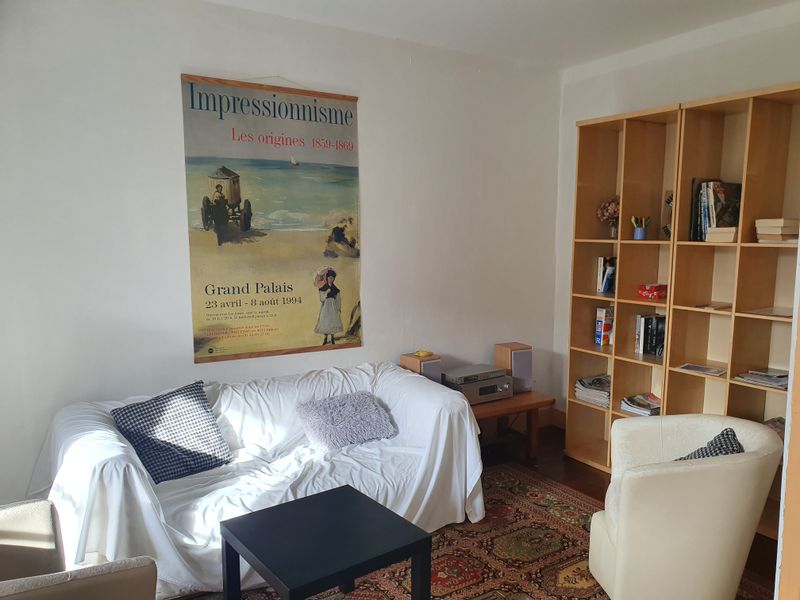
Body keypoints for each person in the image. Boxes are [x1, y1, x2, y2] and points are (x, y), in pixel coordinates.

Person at [315, 269, 343, 345]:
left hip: (333, 306)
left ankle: (332, 338)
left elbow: (338, 300)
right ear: (327, 278)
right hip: (326, 306)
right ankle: (325, 338)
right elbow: (321, 299)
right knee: (326, 321)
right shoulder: (323, 288)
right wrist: (326, 292)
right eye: (330, 277)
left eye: (333, 278)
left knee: (333, 320)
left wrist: (338, 308)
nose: (331, 279)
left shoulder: (336, 289)